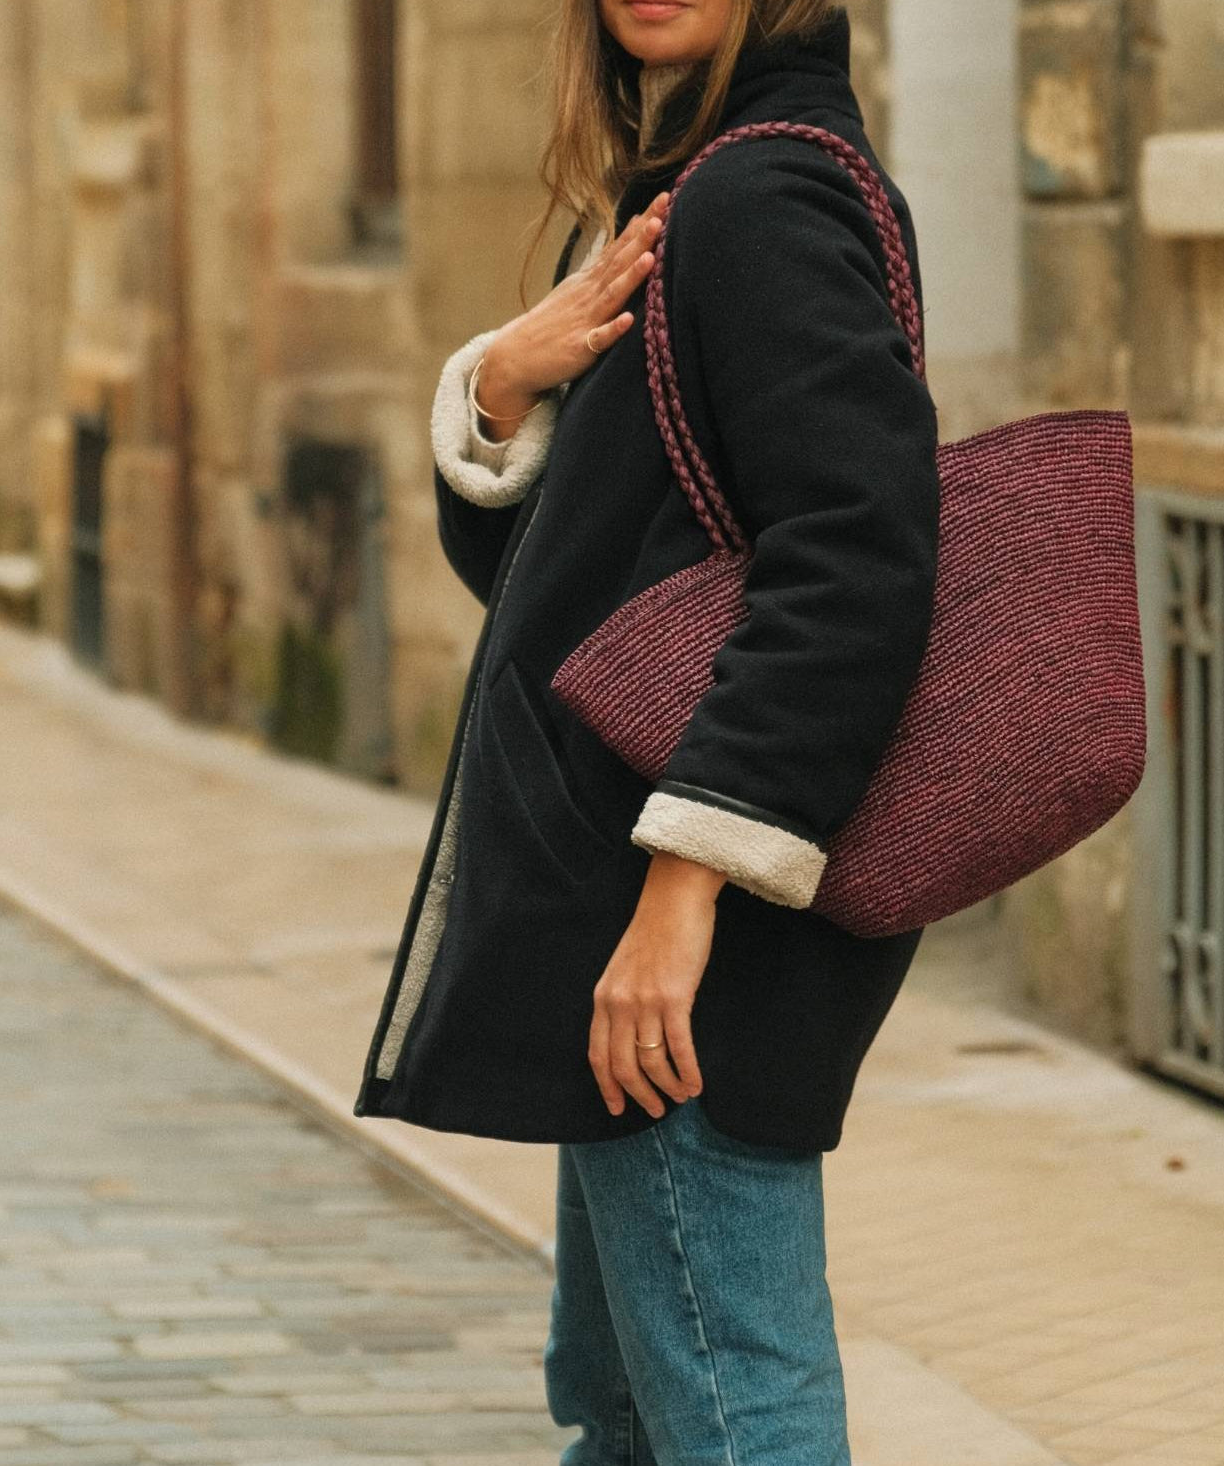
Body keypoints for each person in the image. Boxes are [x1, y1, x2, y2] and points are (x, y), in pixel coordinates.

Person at [352, 2, 941, 1460]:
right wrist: (503, 387)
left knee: (735, 1410)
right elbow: (570, 591)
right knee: (621, 1407)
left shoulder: (758, 195)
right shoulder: (686, 192)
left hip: (675, 937)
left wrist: (683, 893)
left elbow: (857, 553)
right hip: (625, 914)